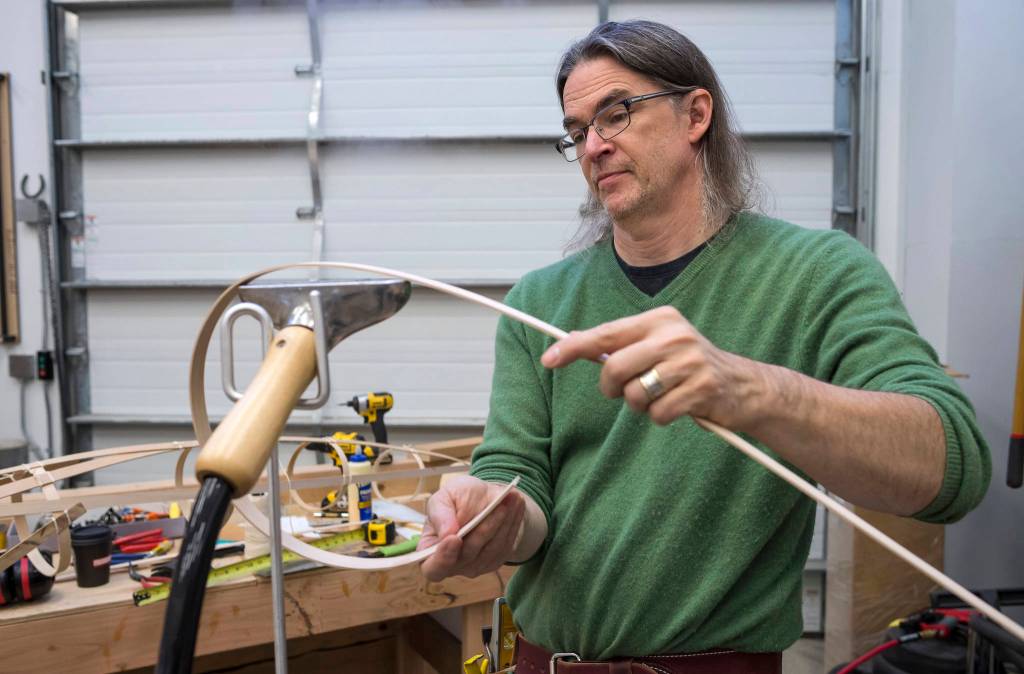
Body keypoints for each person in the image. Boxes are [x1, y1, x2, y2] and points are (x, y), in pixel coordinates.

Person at [417, 20, 990, 672]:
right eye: (577, 132)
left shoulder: (815, 274)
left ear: (695, 114)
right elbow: (522, 488)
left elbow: (955, 468)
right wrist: (494, 512)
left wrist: (751, 389)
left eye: (617, 114)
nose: (594, 146)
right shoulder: (538, 303)